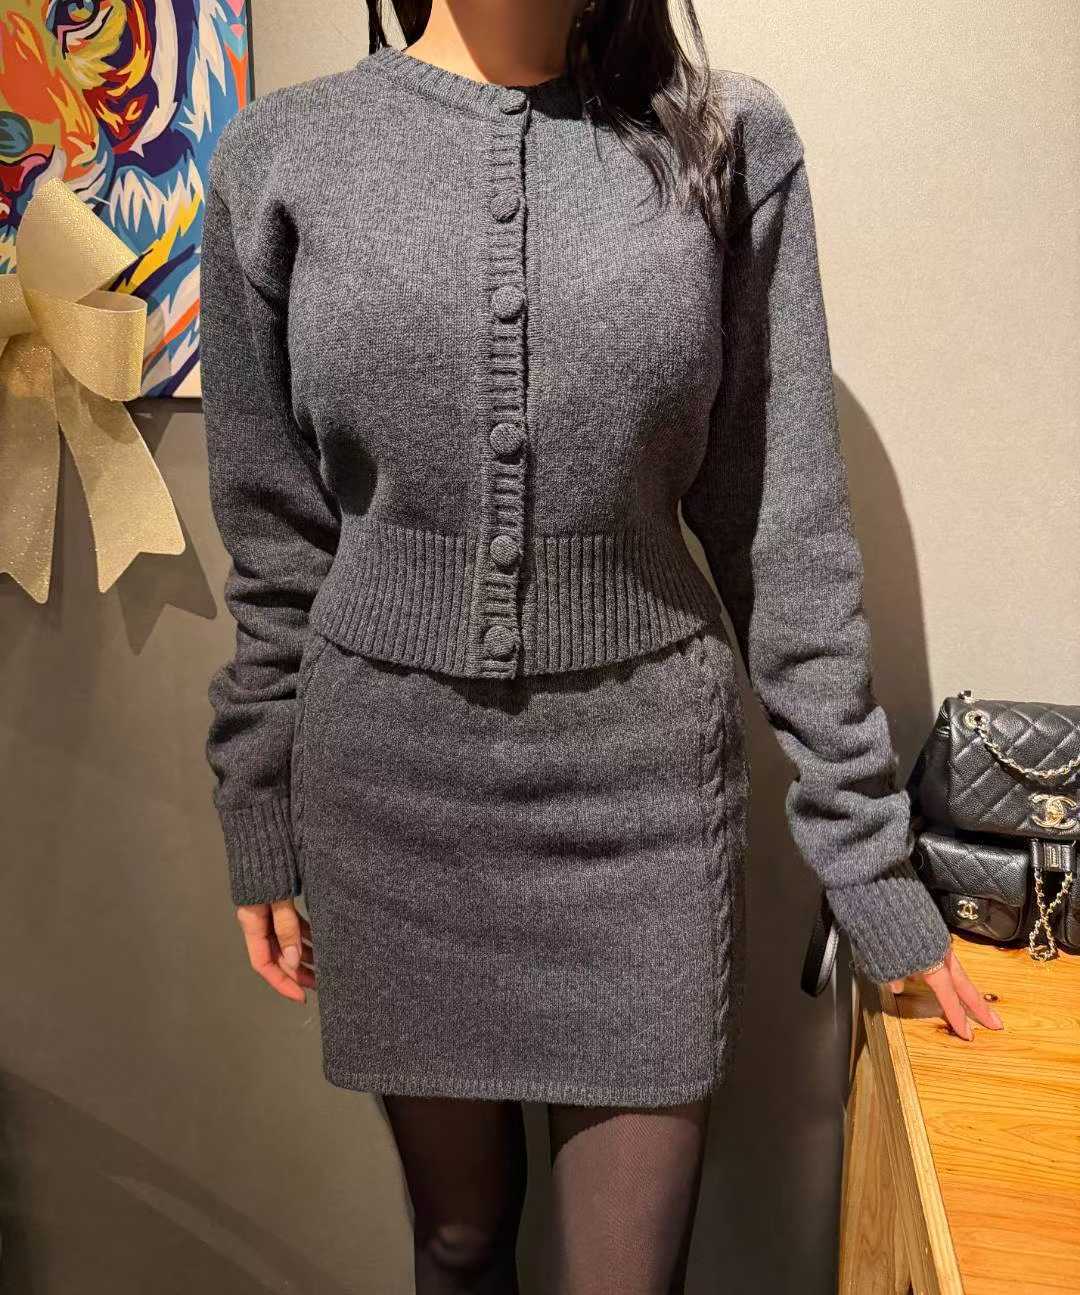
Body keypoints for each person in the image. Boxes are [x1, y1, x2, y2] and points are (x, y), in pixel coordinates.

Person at [199, 1, 1004, 1289]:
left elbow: (781, 526)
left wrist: (868, 856)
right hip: (391, 797)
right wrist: (257, 801)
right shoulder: (281, 158)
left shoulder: (727, 142)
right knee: (457, 1241)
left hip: (644, 805)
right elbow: (277, 548)